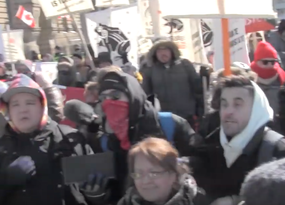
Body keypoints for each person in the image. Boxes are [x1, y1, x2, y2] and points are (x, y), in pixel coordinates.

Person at [78, 68, 203, 204]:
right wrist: (96, 195)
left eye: (115, 96)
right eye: (103, 99)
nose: (109, 103)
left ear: (133, 97)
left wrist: (176, 167)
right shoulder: (106, 140)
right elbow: (114, 193)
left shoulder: (170, 124)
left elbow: (202, 163)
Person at [0, 74, 94, 205]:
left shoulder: (70, 138)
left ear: (42, 106)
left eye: (30, 103)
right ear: (7, 110)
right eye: (15, 105)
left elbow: (100, 192)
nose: (23, 109)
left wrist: (96, 192)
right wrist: (5, 180)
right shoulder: (2, 147)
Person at [193, 75, 285, 205]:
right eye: (224, 104)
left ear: (256, 109)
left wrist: (237, 201)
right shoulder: (209, 144)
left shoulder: (278, 151)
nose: (228, 111)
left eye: (237, 104)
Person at [118, 137, 207, 205]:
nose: (145, 181)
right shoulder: (126, 202)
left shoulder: (197, 201)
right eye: (138, 174)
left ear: (173, 174)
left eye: (154, 173)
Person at [142, 40, 203, 128]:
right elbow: (146, 95)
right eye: (159, 51)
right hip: (164, 117)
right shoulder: (150, 69)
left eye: (166, 50)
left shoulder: (185, 65)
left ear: (172, 51)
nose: (163, 53)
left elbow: (198, 90)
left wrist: (200, 112)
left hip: (187, 115)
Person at [250, 41, 285, 115]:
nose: (270, 65)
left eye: (273, 62)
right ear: (257, 61)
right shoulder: (249, 81)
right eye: (265, 62)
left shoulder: (283, 77)